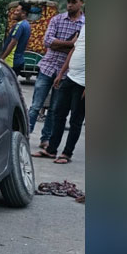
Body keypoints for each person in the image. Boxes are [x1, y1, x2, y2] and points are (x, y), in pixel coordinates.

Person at [26, 0, 85, 149]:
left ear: (81, 3)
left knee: (54, 109)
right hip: (47, 67)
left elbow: (80, 48)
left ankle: (45, 139)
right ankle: (25, 135)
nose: (70, 5)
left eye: (74, 2)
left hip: (66, 73)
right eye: (69, 1)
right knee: (36, 106)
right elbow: (47, 42)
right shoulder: (57, 19)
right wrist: (70, 44)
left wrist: (61, 45)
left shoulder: (84, 24)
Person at [36, 24, 85, 164]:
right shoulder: (84, 28)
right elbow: (74, 50)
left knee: (76, 120)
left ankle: (66, 153)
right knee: (58, 114)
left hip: (83, 83)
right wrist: (62, 73)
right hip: (70, 77)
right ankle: (51, 150)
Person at [0, 2, 31, 77]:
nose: (15, 12)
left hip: (11, 61)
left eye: (17, 10)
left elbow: (13, 42)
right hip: (19, 60)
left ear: (23, 13)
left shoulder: (19, 25)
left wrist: (2, 58)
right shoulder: (27, 24)